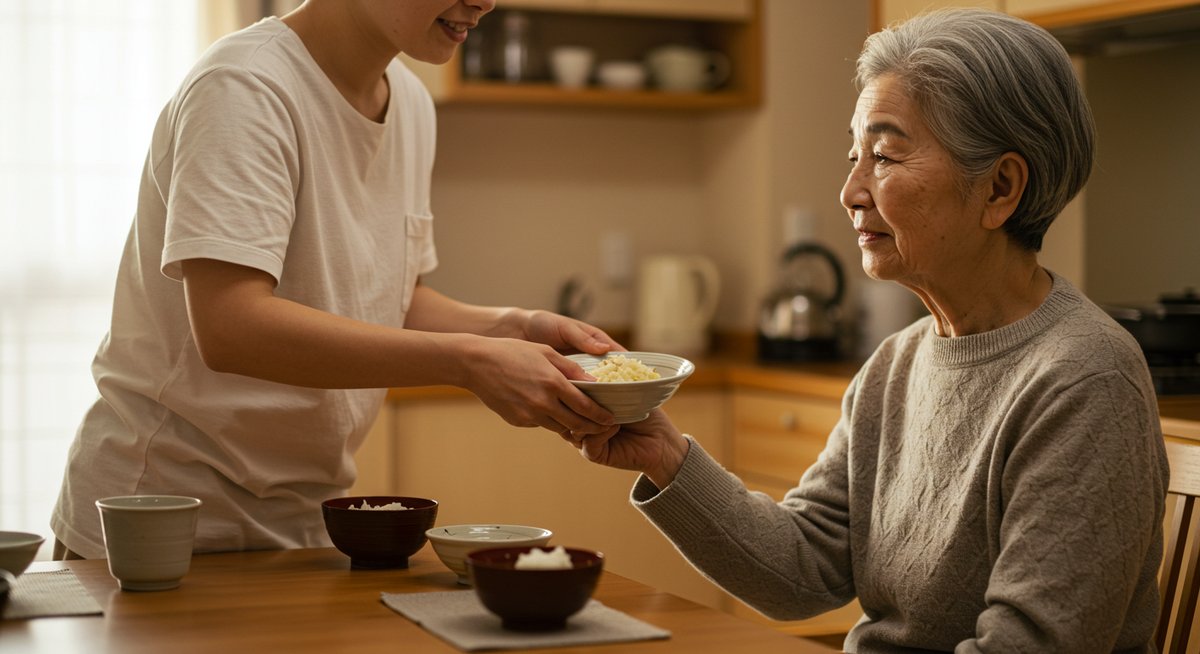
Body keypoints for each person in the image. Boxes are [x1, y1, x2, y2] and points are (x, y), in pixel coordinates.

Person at [569, 8, 1168, 653]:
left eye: (883, 155)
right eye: (855, 155)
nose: (850, 191)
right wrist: (667, 459)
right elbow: (804, 569)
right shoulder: (896, 364)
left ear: (1000, 187)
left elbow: (1030, 645)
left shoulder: (1086, 380)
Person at [51, 0, 622, 559]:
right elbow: (230, 327)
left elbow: (390, 299)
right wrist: (468, 361)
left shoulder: (411, 103)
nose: (484, 2)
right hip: (162, 511)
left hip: (306, 517)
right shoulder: (245, 86)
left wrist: (515, 328)